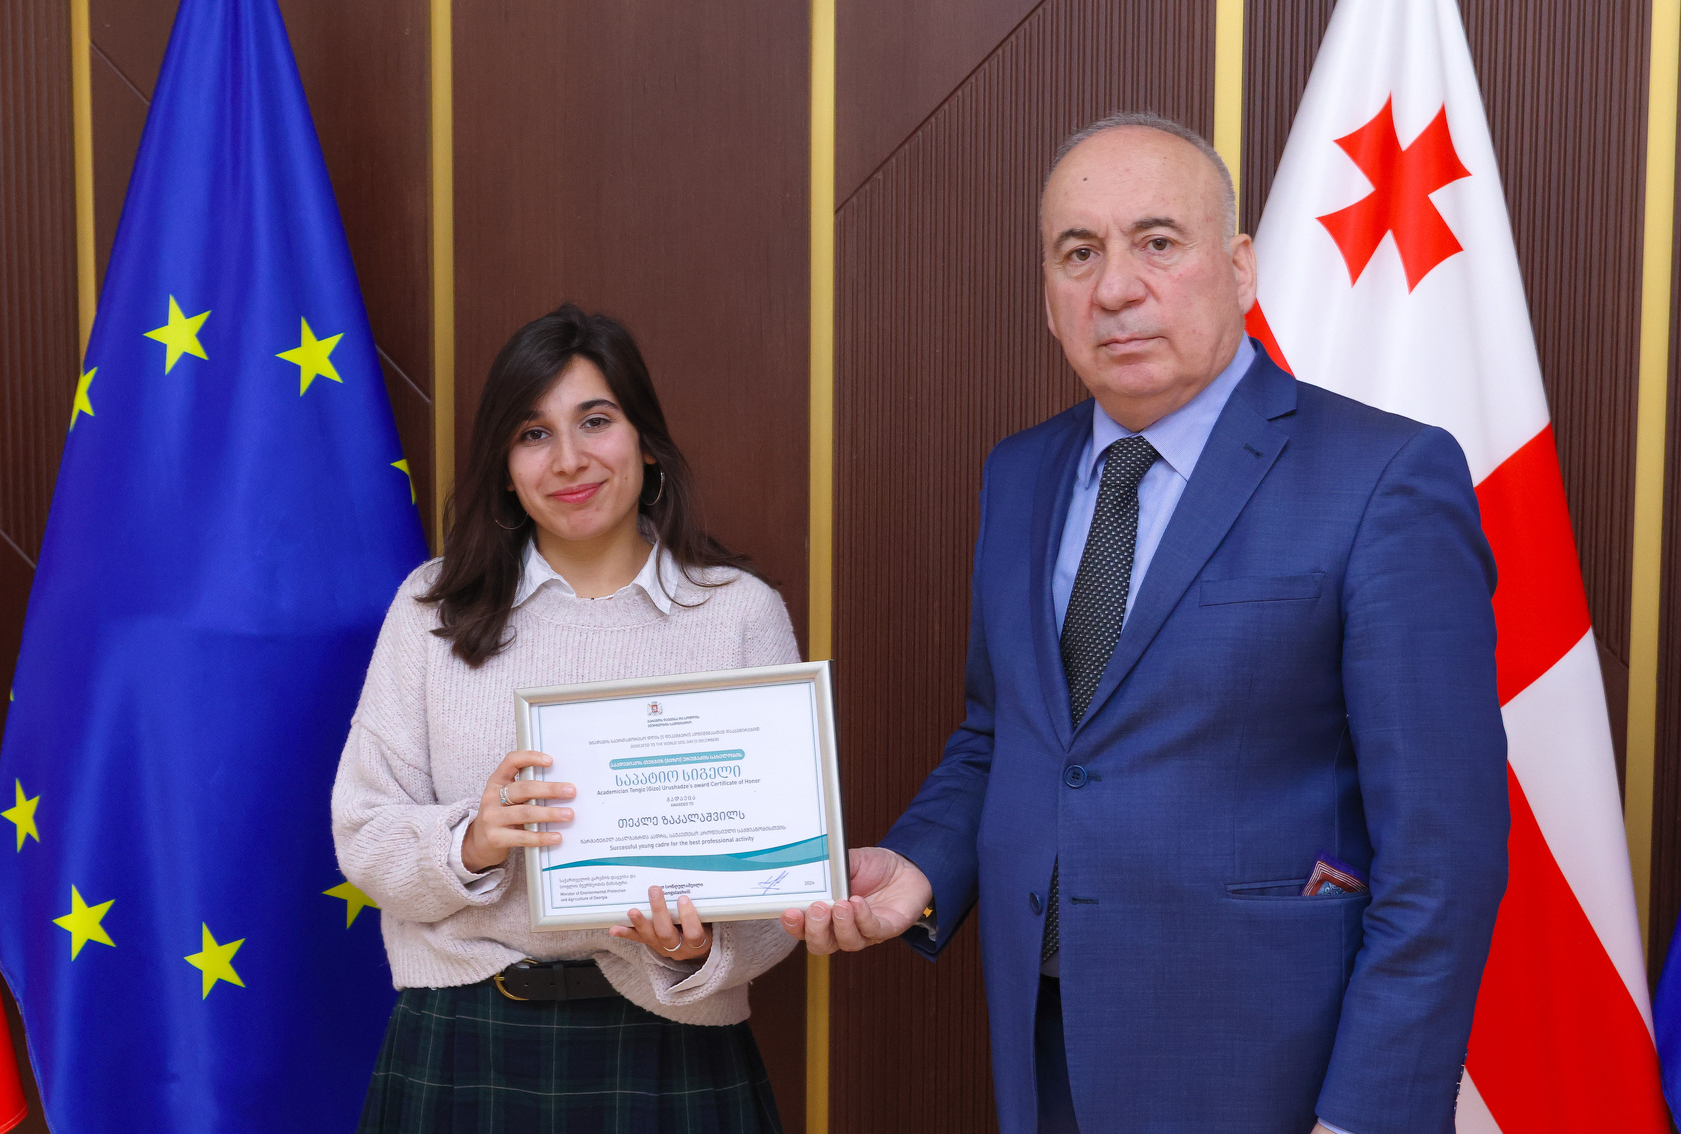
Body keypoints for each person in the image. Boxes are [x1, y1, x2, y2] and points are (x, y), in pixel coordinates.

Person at [782, 113, 1509, 1133]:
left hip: (1269, 1068)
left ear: (1240, 267)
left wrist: (1368, 1116)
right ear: (1048, 295)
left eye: (1157, 242)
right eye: (1078, 253)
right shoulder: (1019, 475)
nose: (1115, 288)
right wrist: (920, 864)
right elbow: (1008, 735)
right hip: (1045, 1049)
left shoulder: (1383, 476)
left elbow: (1443, 851)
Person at [333, 303, 799, 1132]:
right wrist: (471, 843)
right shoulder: (431, 609)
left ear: (646, 441)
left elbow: (786, 881)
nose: (569, 460)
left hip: (670, 1040)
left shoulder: (737, 615)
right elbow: (363, 833)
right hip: (463, 1036)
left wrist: (700, 949)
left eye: (595, 421)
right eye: (533, 433)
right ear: (504, 466)